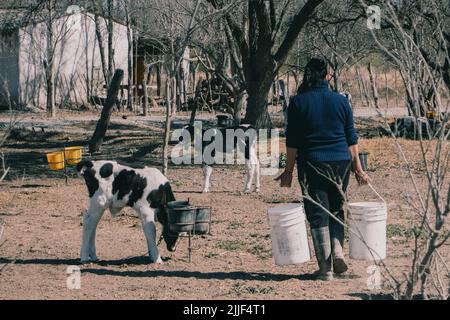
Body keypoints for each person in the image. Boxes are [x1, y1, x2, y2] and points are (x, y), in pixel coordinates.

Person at [276, 57, 370, 281]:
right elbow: (352, 139)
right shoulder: (341, 101)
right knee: (336, 207)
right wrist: (359, 170)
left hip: (312, 164)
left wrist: (288, 171)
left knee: (317, 213)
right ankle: (337, 251)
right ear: (327, 75)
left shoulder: (298, 102)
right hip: (341, 162)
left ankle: (325, 268)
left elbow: (293, 141)